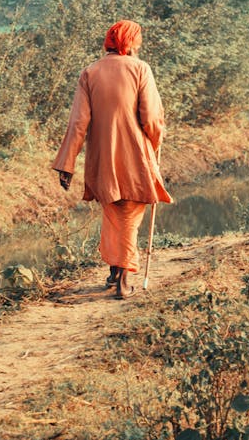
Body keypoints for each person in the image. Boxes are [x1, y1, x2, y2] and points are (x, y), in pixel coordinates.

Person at [52, 20, 172, 299]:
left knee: (113, 210)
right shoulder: (140, 68)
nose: (139, 45)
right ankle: (124, 279)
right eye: (138, 40)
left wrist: (66, 164)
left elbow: (78, 122)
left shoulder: (89, 72)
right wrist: (155, 141)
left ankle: (114, 271)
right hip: (133, 155)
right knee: (130, 214)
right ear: (129, 42)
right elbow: (152, 118)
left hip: (101, 159)